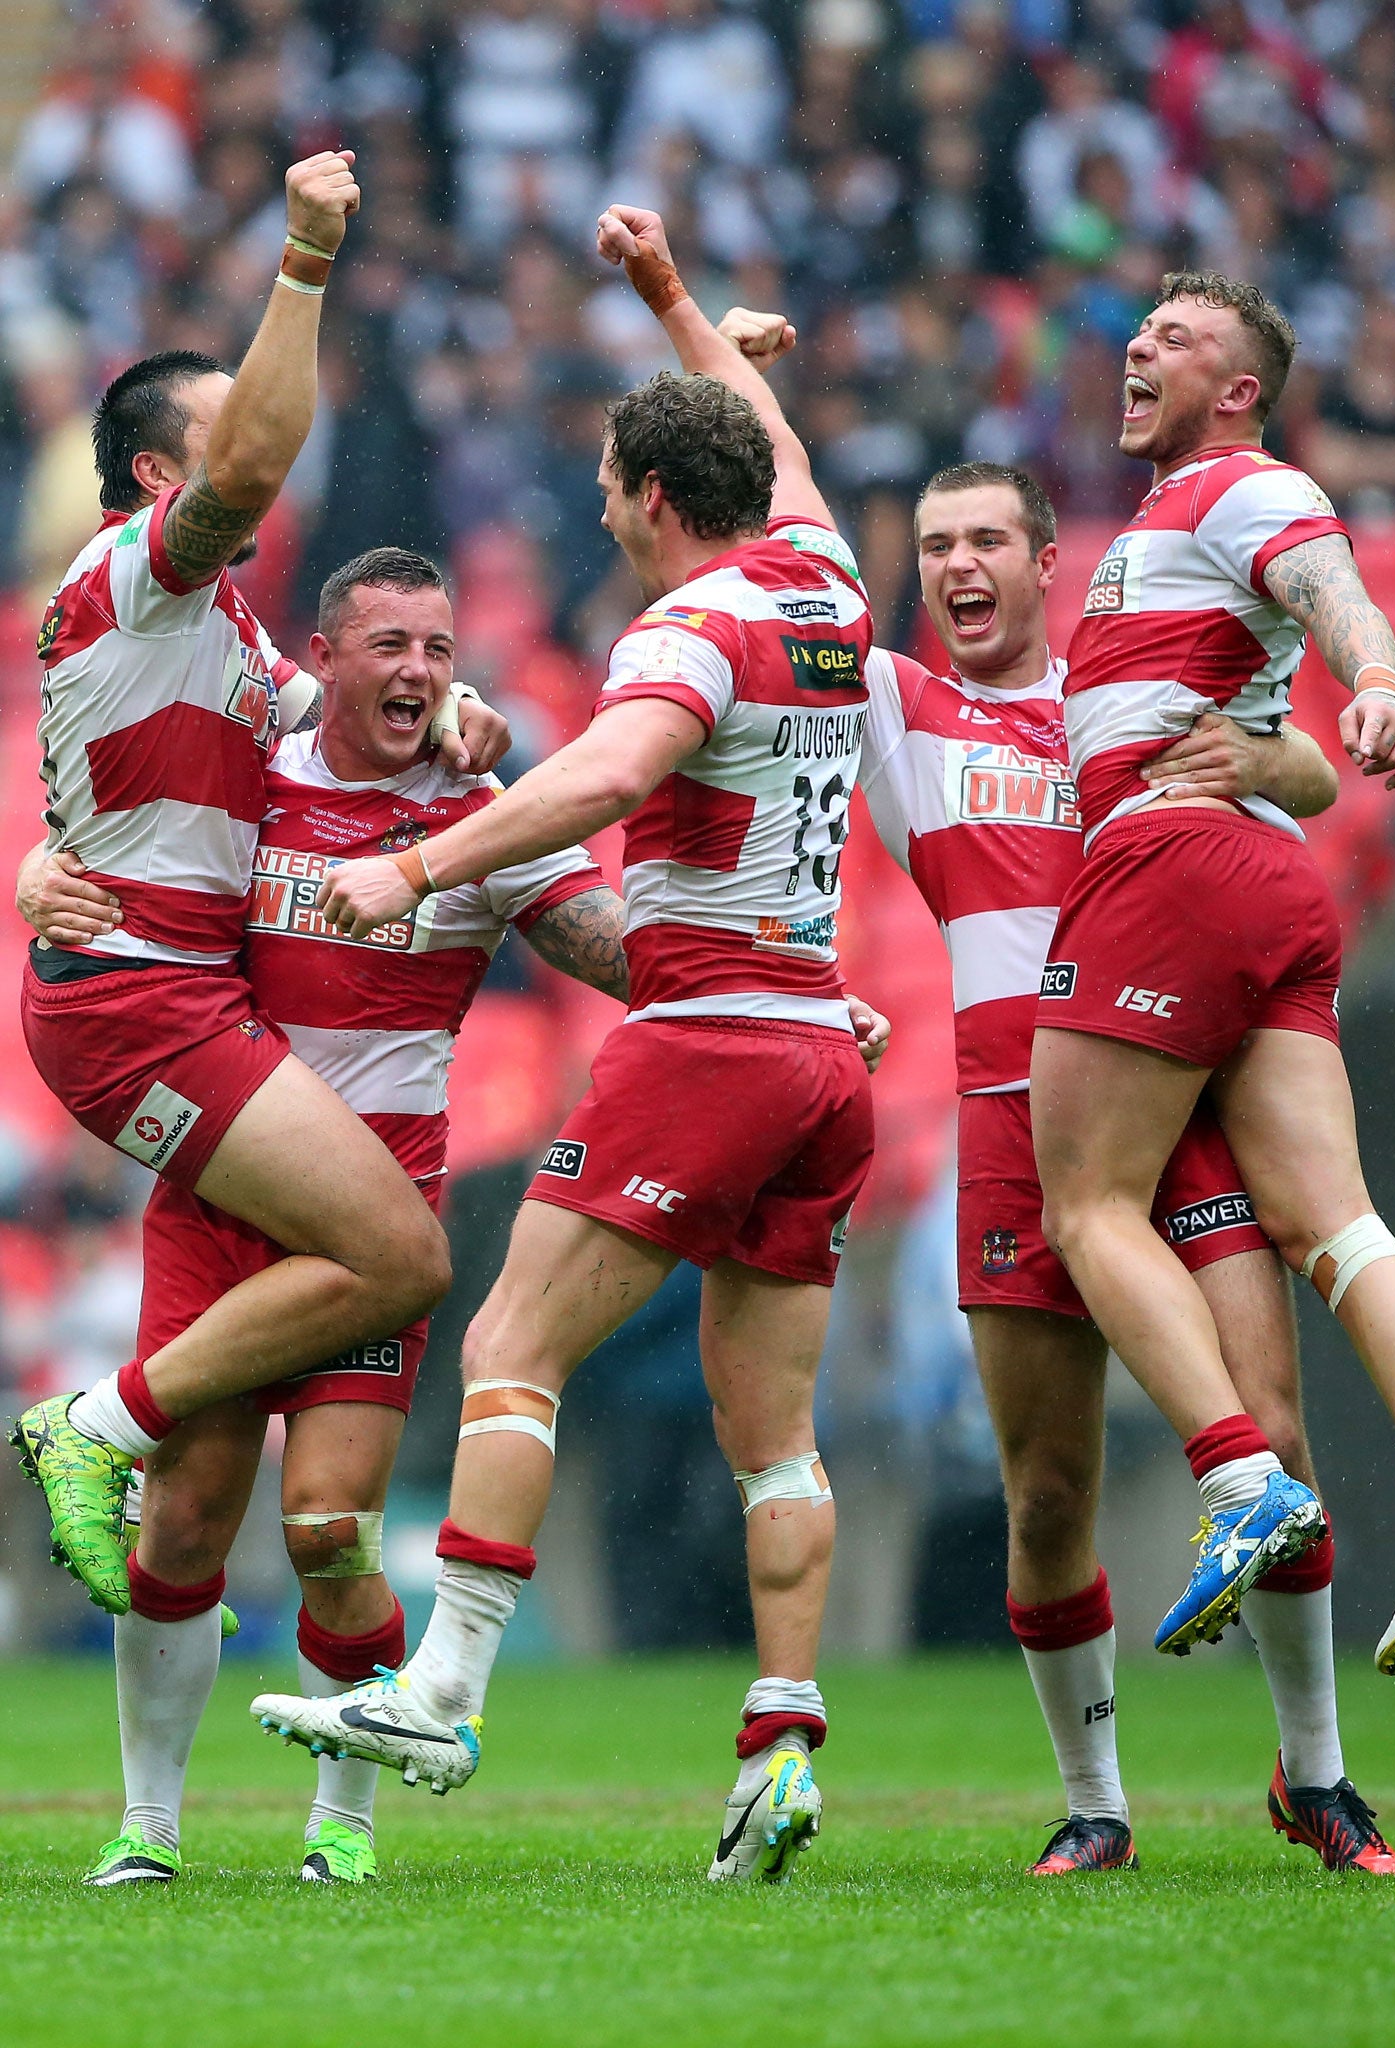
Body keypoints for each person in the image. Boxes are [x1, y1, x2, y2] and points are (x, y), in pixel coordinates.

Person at [647, 249, 1395, 1876]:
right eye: (934, 547)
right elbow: (783, 514)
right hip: (1012, 1123)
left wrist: (1292, 752)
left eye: (988, 538)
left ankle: (1316, 1770)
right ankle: (1095, 1799)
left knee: (1267, 1424)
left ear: (1054, 562)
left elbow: (1308, 778)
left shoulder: (1127, 699)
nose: (957, 565)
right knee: (1045, 1482)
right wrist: (695, 330)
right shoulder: (897, 708)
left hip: (1175, 1096)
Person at [246, 236, 887, 1885]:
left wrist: (414, 868)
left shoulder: (689, 631)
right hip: (823, 1043)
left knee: (513, 1340)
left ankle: (444, 1690)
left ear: (661, 496)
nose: (598, 510)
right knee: (778, 1433)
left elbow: (601, 782)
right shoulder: (824, 583)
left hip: (710, 1035)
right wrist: (682, 308)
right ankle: (785, 1732)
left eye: (612, 486)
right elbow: (782, 446)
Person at [19, 547, 625, 1888]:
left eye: (438, 647)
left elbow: (600, 940)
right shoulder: (253, 793)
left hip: (380, 1205)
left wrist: (738, 976)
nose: (418, 670)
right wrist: (35, 877)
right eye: (391, 645)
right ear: (326, 659)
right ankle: (151, 1827)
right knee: (183, 1522)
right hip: (228, 1199)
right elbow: (112, 865)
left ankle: (340, 1824)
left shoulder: (486, 808)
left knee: (329, 1528)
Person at [8, 150, 499, 1622]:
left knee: (380, 1271)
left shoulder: (216, 625)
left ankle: (124, 1443)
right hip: (136, 1000)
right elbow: (258, 465)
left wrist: (481, 723)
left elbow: (334, 722)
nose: (269, 434)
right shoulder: (131, 573)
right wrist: (302, 257)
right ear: (163, 476)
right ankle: (91, 1426)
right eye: (223, 432)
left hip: (166, 987)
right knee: (406, 1251)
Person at [1026, 272, 1395, 1674]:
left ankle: (1240, 1477)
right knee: (1336, 1223)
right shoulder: (1163, 522)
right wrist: (1293, 736)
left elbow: (1331, 580)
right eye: (1142, 331)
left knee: (1088, 1202)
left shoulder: (1239, 487)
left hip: (1168, 874)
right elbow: (1262, 695)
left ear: (1239, 390)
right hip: (1269, 891)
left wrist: (1380, 680)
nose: (1138, 347)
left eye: (1178, 340)